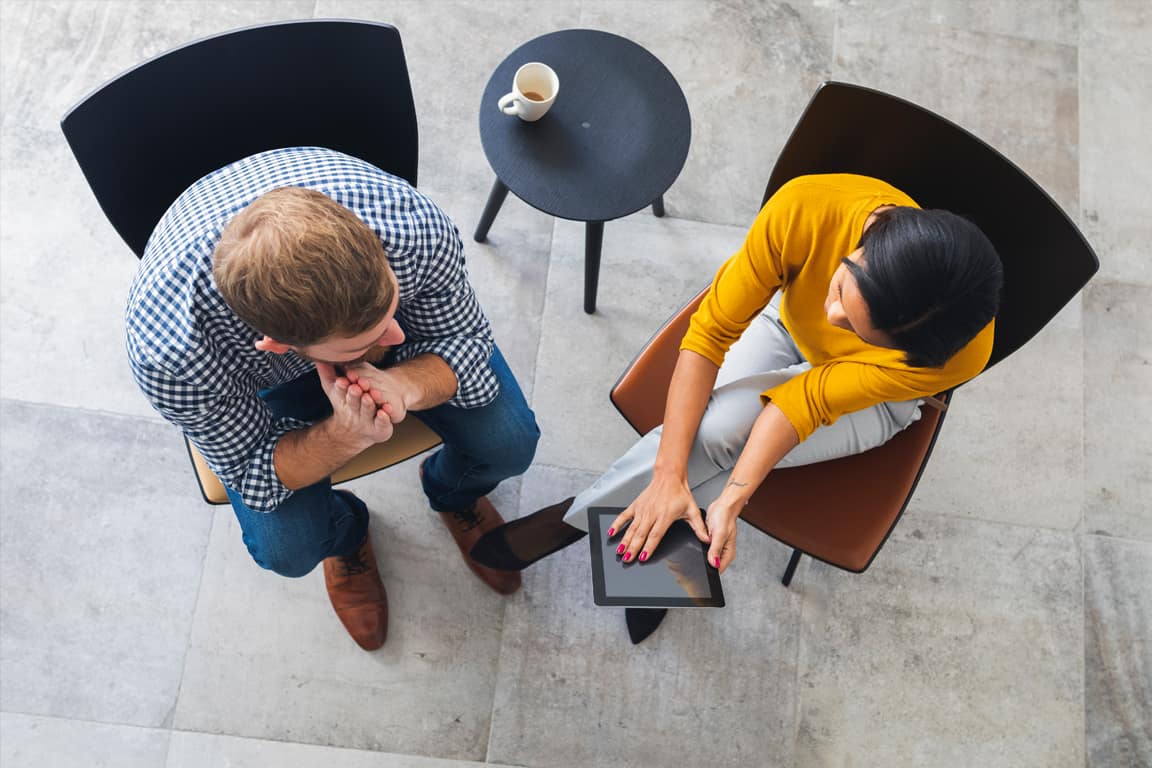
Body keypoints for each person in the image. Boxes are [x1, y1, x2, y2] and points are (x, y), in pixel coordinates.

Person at [471, 173, 1002, 584]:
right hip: (785, 327)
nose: (834, 320)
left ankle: (584, 522)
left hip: (872, 400)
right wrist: (667, 475)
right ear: (865, 237)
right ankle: (652, 560)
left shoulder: (951, 353)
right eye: (840, 291)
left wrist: (734, 500)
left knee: (722, 460)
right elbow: (709, 335)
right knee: (713, 438)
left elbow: (808, 401)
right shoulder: (807, 207)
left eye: (865, 332)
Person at [126, 147, 539, 652]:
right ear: (278, 347)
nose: (392, 338)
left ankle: (454, 492)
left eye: (389, 307)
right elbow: (253, 472)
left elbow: (465, 341)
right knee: (287, 549)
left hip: (335, 297)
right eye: (364, 343)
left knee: (511, 444)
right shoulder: (173, 358)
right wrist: (345, 435)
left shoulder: (408, 226)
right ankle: (345, 537)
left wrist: (405, 383)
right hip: (248, 384)